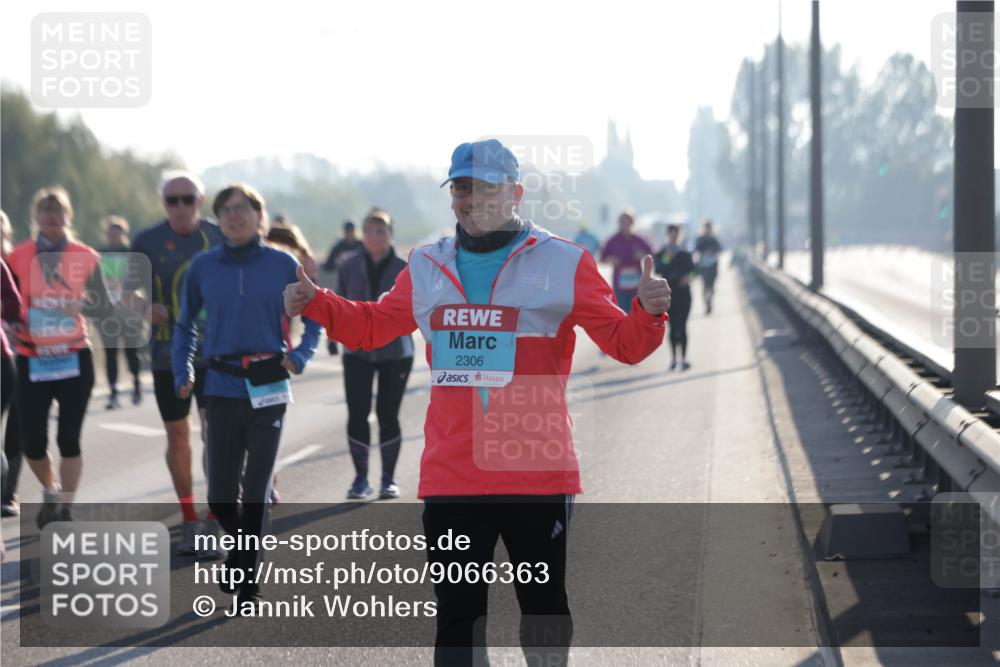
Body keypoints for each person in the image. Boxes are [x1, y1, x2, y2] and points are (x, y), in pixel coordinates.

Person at [285, 139, 671, 666]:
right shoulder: (425, 265)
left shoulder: (563, 262)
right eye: (462, 188)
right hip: (453, 477)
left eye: (486, 187)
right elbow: (373, 326)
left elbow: (625, 344)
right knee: (458, 624)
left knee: (543, 613)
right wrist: (317, 302)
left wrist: (647, 313)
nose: (473, 199)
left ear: (514, 192)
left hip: (535, 473)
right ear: (452, 197)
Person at [175, 183, 320, 609]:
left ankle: (247, 574)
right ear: (218, 218)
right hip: (219, 385)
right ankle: (245, 551)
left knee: (255, 488)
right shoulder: (202, 267)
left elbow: (315, 317)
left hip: (269, 382)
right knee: (221, 495)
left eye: (243, 209)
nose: (234, 216)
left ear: (259, 215)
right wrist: (183, 369)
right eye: (226, 210)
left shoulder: (282, 263)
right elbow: (185, 326)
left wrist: (301, 356)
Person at [7, 186, 116, 528]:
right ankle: (50, 490)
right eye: (46, 210)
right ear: (35, 217)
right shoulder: (17, 256)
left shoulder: (86, 255)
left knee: (69, 438)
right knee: (32, 442)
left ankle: (66, 508)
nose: (53, 216)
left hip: (73, 357)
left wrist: (82, 304)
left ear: (69, 216)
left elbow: (105, 307)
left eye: (59, 210)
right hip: (31, 357)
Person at [129, 170, 225, 555]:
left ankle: (216, 517)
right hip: (168, 354)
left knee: (215, 434)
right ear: (164, 203)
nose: (181, 207)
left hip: (218, 354)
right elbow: (115, 288)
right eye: (173, 200)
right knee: (178, 436)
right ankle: (189, 518)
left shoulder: (219, 235)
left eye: (189, 199)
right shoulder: (146, 240)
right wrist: (140, 305)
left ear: (201, 201)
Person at [336, 207, 413, 500]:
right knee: (357, 413)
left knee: (387, 415)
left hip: (396, 352)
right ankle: (360, 479)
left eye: (380, 230)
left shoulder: (405, 267)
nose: (374, 236)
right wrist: (335, 336)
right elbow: (340, 303)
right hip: (357, 351)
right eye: (369, 230)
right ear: (362, 234)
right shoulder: (349, 264)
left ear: (390, 234)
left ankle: (388, 479)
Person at [97, 216, 143, 409]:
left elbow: (141, 278)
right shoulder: (99, 255)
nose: (114, 236)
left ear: (124, 234)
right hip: (108, 310)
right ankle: (113, 392)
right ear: (106, 234)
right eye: (110, 233)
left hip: (129, 310)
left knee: (131, 351)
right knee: (110, 352)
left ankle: (136, 383)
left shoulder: (132, 254)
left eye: (118, 233)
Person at [1, 210, 24, 517]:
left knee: (18, 425)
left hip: (16, 354)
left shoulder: (17, 262)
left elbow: (17, 306)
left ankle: (8, 493)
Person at [655, 224, 696, 371]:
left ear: (679, 235)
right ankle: (673, 359)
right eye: (671, 234)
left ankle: (684, 359)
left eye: (676, 234)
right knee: (672, 328)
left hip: (684, 295)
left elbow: (694, 271)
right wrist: (667, 257)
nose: (674, 237)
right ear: (668, 235)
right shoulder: (662, 253)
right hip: (668, 296)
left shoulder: (685, 254)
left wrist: (688, 277)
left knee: (683, 326)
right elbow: (658, 269)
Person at [600, 209, 654, 313]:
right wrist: (611, 259)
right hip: (620, 285)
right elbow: (603, 257)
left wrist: (642, 255)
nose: (625, 224)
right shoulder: (613, 240)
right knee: (622, 312)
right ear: (619, 223)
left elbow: (651, 253)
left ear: (632, 223)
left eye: (628, 221)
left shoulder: (639, 239)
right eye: (622, 221)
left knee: (637, 311)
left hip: (637, 285)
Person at [320, 220, 361, 355]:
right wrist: (337, 263)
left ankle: (359, 340)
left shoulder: (362, 245)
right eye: (347, 232)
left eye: (352, 231)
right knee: (335, 314)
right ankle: (332, 341)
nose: (350, 234)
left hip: (359, 285)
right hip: (342, 284)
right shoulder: (339, 247)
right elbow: (327, 266)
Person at [693, 218, 723, 315]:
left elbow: (720, 249)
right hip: (703, 266)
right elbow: (695, 249)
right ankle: (707, 303)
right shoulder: (700, 239)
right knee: (705, 285)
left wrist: (712, 252)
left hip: (713, 265)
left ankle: (710, 300)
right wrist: (704, 252)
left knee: (711, 285)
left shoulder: (714, 239)